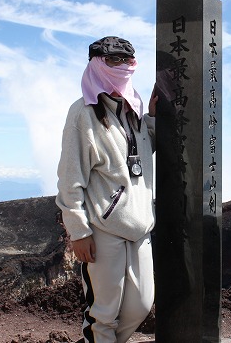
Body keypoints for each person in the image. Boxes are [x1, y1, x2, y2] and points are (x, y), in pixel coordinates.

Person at [55, 36, 157, 343]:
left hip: (139, 227)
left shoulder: (132, 107)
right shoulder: (83, 113)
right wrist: (79, 232)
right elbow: (70, 178)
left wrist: (151, 118)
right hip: (103, 230)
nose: (123, 67)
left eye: (128, 60)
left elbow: (137, 156)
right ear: (97, 64)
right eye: (114, 60)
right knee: (103, 314)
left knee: (139, 307)